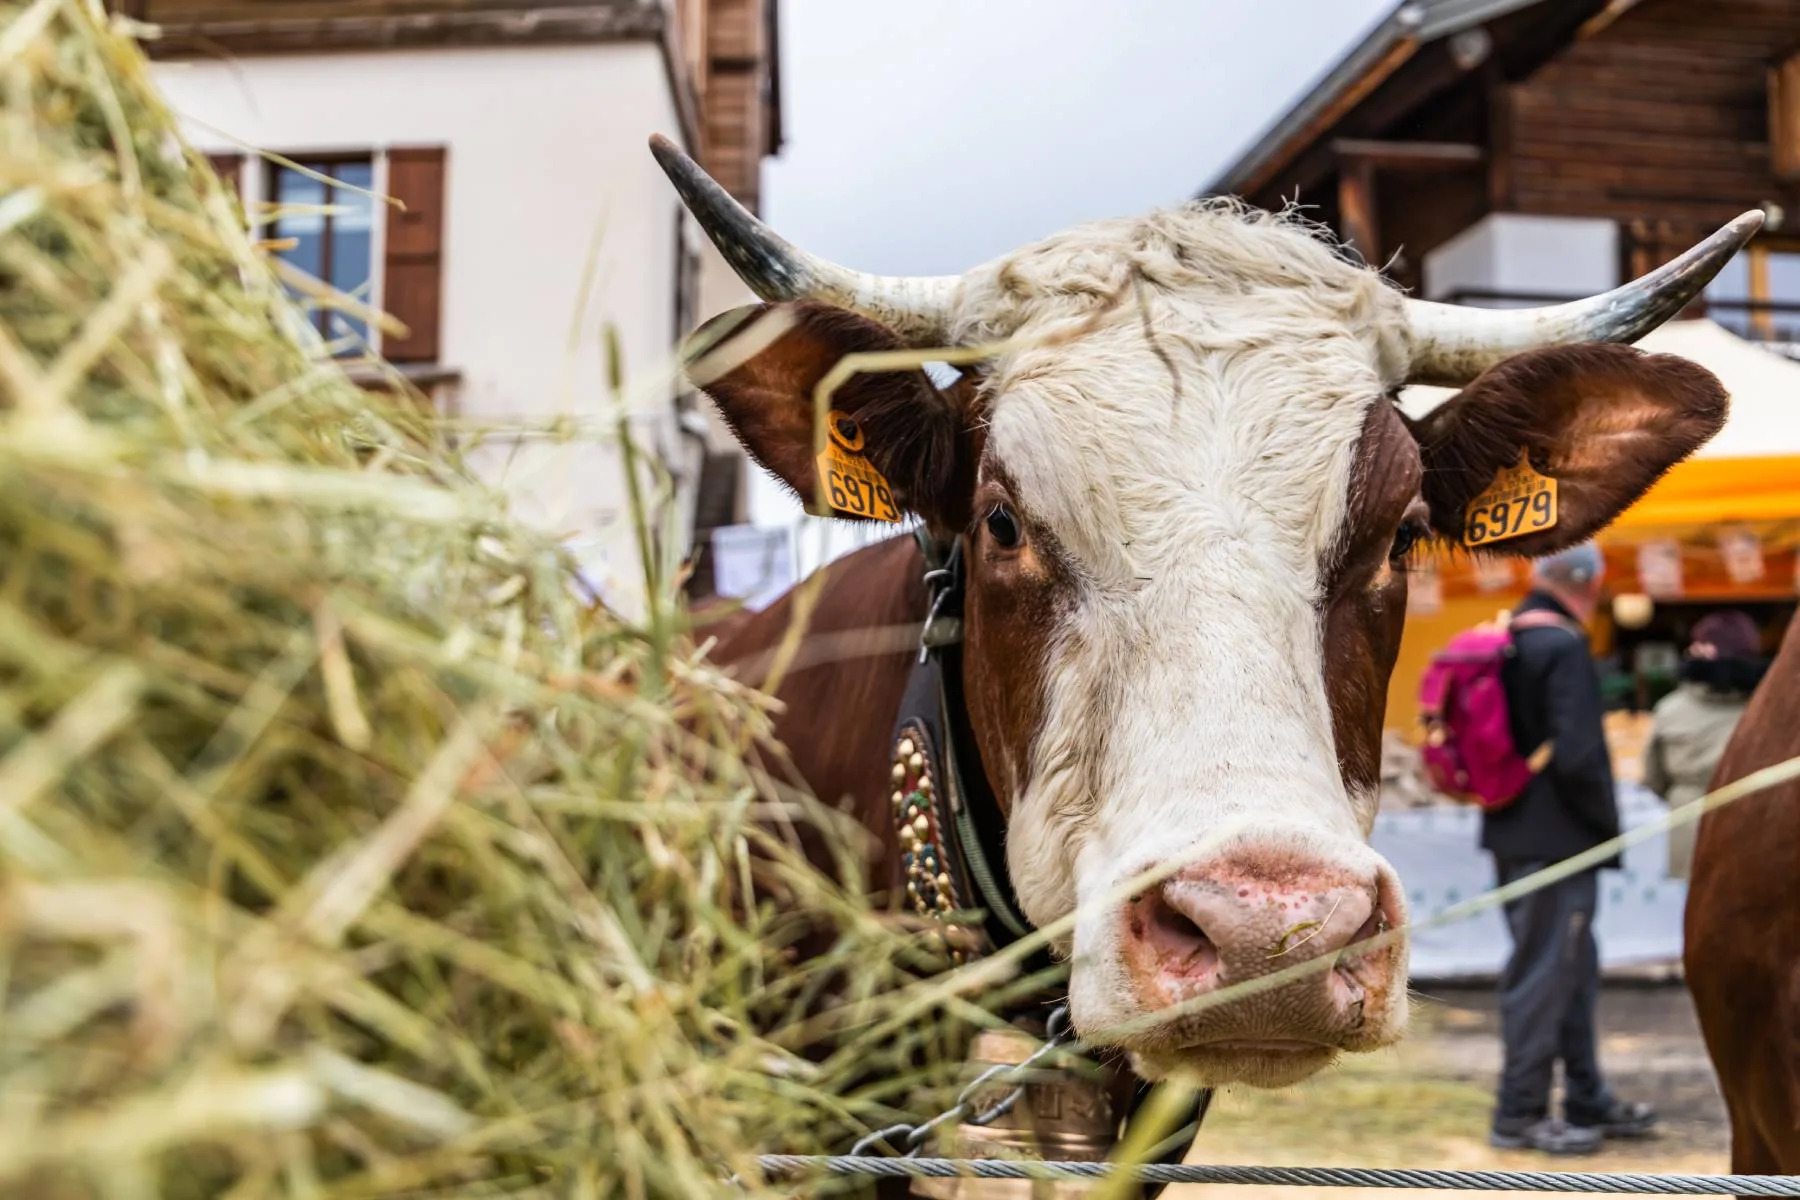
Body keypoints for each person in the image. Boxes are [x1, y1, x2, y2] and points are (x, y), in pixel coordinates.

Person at [1487, 542, 1658, 1155]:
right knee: (1544, 976)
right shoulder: (1560, 644)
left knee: (1572, 971)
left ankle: (1588, 1097)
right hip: (1558, 844)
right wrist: (1605, 830)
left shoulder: (1511, 637)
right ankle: (1519, 1114)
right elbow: (1581, 756)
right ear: (1582, 582)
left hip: (1516, 833)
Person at [1643, 610, 1767, 880]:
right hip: (1755, 822)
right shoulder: (1769, 710)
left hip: (1689, 821)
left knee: (1689, 911)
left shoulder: (1670, 710)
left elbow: (1653, 777)